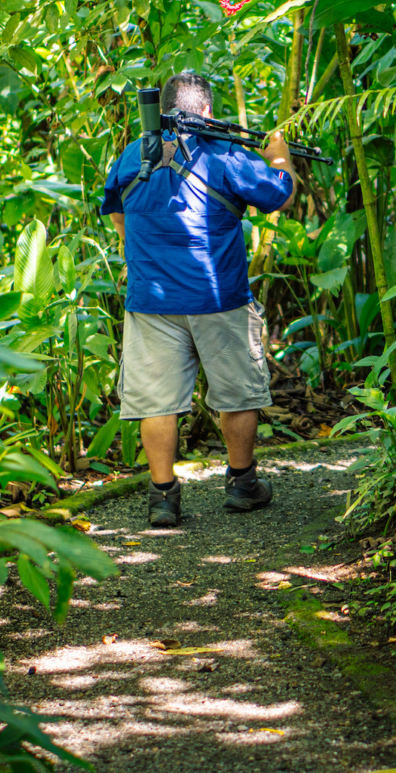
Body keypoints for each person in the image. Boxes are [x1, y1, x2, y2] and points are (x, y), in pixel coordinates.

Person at [101, 72, 296, 527]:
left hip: (151, 299)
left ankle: (163, 498)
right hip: (219, 296)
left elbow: (114, 208)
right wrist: (280, 155)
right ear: (206, 111)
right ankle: (242, 484)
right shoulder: (226, 155)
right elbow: (278, 194)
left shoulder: (133, 155)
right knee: (236, 393)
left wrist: (141, 251)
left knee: (157, 403)